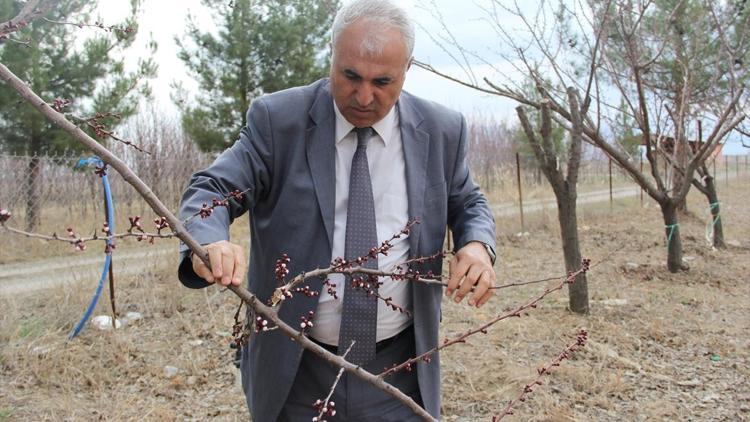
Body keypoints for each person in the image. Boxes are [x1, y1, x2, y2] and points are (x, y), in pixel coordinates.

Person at [177, 0, 497, 420]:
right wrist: (209, 240)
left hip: (400, 369)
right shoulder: (279, 121)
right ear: (332, 57)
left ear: (408, 69)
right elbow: (212, 188)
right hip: (297, 367)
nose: (364, 97)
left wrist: (476, 245)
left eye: (383, 81)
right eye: (350, 76)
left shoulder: (441, 130)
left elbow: (468, 200)